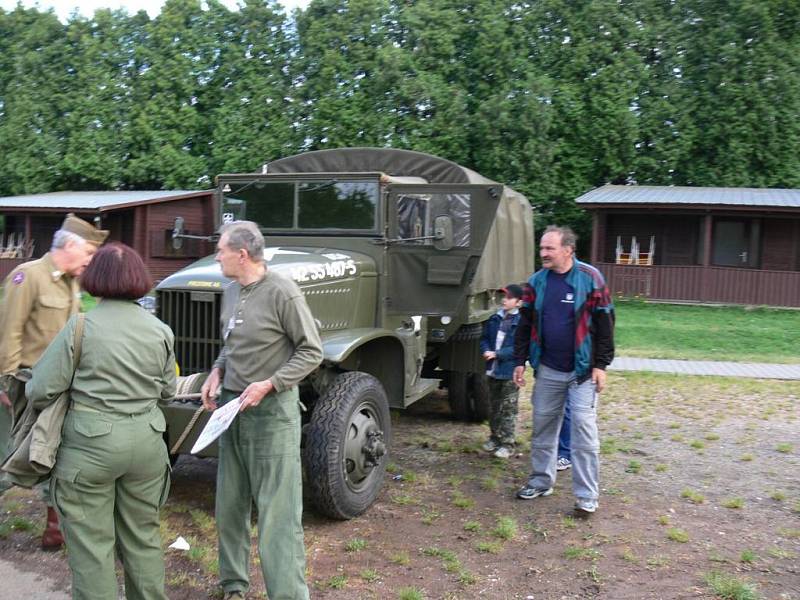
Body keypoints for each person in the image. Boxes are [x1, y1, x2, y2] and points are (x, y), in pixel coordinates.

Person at [26, 243, 176, 599]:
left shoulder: (81, 326)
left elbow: (40, 390)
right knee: (143, 539)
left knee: (93, 548)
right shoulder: (160, 330)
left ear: (96, 278)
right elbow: (168, 391)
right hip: (147, 444)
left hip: (89, 447)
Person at [200, 221, 323, 600]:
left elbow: (311, 350)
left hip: (271, 414)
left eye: (221, 249)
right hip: (232, 409)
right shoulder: (231, 290)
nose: (217, 255)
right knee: (230, 507)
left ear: (242, 254)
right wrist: (217, 370)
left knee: (278, 517)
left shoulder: (283, 292)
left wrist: (271, 383)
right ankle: (233, 587)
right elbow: (231, 341)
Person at [0, 214, 108, 549]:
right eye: (88, 253)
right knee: (11, 455)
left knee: (55, 453)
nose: (90, 261)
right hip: (24, 383)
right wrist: (4, 383)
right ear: (70, 246)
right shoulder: (27, 276)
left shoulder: (72, 283)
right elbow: (8, 331)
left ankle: (54, 528)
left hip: (59, 386)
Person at [513, 225, 614, 514]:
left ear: (567, 250)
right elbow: (525, 324)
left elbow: (606, 324)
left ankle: (586, 497)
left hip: (582, 372)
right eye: (542, 248)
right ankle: (541, 481)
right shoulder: (536, 282)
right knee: (543, 427)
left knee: (584, 432)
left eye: (549, 249)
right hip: (548, 369)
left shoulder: (590, 278)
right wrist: (519, 361)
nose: (543, 253)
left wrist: (601, 365)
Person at [480, 284, 523, 459]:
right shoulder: (494, 319)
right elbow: (484, 338)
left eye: (509, 298)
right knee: (493, 406)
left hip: (509, 372)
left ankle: (508, 443)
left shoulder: (520, 322)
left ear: (519, 302)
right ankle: (494, 437)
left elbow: (519, 348)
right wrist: (485, 350)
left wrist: (497, 354)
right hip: (492, 371)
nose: (504, 300)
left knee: (508, 408)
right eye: (503, 297)